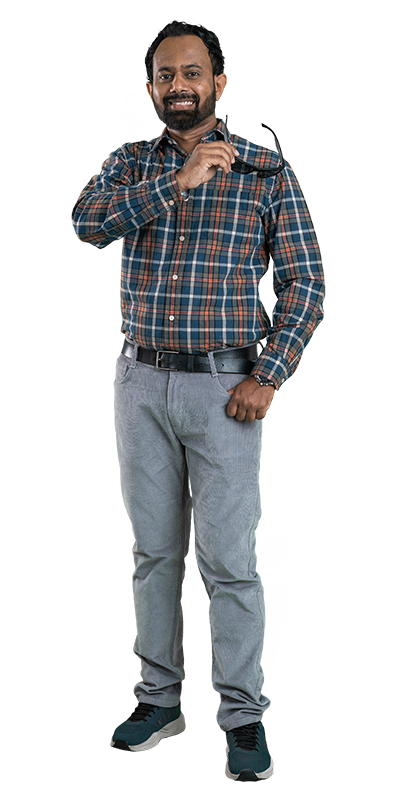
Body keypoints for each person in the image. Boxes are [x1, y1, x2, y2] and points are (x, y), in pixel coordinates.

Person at [71, 18, 325, 782]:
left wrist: (268, 375)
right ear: (151, 87)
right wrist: (174, 183)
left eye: (191, 73)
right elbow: (86, 224)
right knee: (153, 555)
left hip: (224, 392)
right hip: (140, 385)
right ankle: (160, 702)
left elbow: (306, 283)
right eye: (164, 75)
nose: (177, 86)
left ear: (218, 82)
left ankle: (244, 718)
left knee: (229, 562)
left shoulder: (264, 172)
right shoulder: (130, 164)